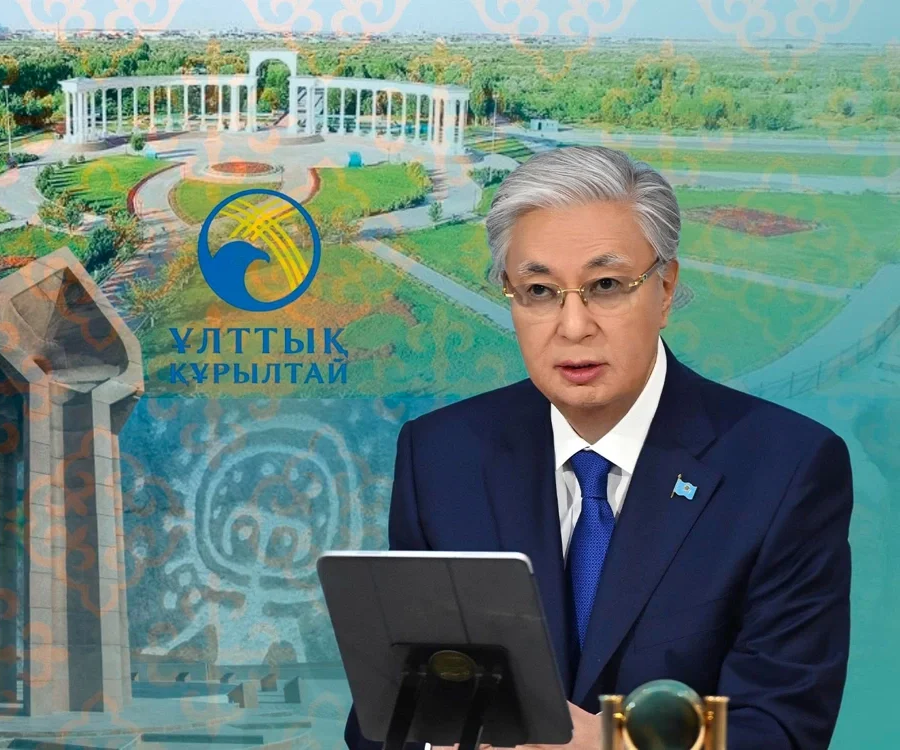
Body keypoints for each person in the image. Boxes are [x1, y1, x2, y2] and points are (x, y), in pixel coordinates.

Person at [343, 146, 852, 750]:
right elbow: (388, 711)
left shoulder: (786, 468)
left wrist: (617, 740)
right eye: (539, 290)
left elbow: (781, 725)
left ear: (666, 289)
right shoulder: (442, 454)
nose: (573, 326)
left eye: (606, 285)